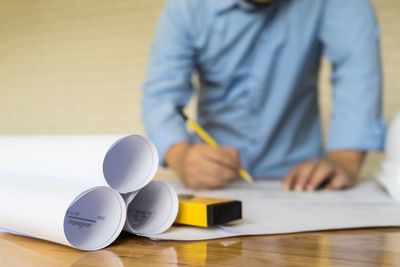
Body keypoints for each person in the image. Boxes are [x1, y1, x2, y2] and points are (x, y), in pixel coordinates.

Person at [142, 0, 385, 191]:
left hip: (301, 184)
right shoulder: (185, 5)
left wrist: (343, 161)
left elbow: (357, 71)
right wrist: (181, 157)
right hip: (215, 180)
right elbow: (160, 96)